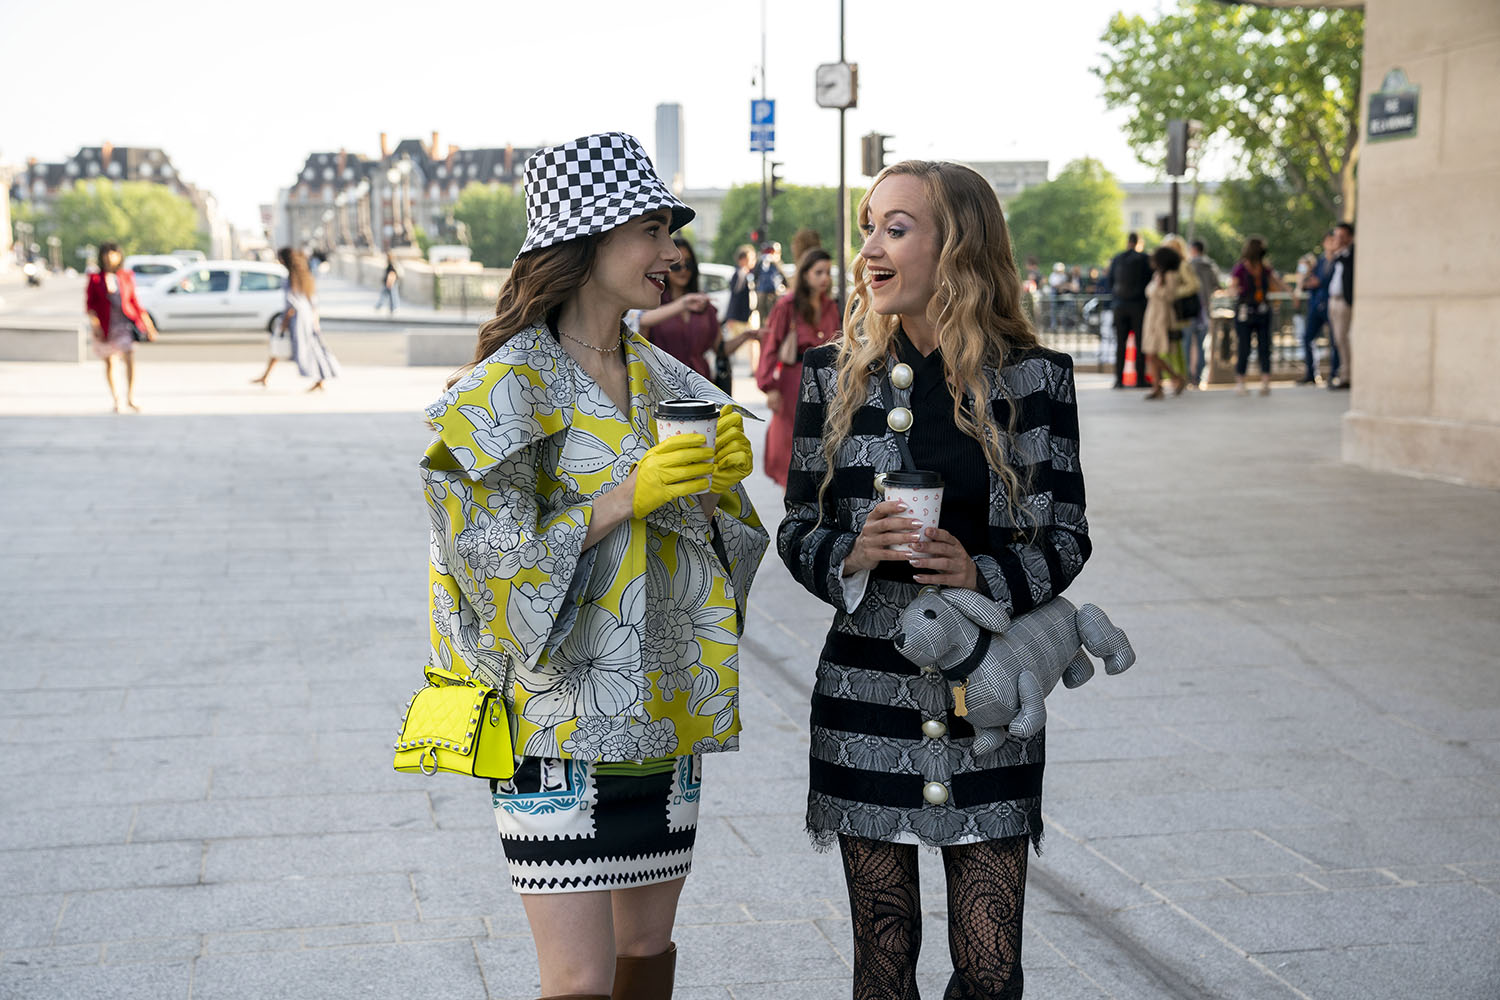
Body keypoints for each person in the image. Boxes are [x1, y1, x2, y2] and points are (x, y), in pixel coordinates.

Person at [418, 132, 767, 1000]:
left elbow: (715, 568)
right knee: (578, 980)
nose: (671, 252)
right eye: (650, 230)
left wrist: (718, 494)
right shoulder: (500, 390)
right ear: (585, 240)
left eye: (669, 231)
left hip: (663, 713)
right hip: (551, 726)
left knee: (647, 958)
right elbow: (483, 570)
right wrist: (622, 497)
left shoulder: (672, 382)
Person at [778, 160, 1091, 998]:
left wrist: (982, 574)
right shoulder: (828, 374)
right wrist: (851, 553)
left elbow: (1066, 537)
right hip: (864, 698)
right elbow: (797, 528)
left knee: (991, 971)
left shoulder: (1037, 379)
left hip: (988, 704)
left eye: (896, 228)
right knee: (882, 966)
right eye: (868, 228)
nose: (869, 250)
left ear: (958, 245)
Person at [755, 247, 840, 488]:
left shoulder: (830, 306)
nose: (825, 278)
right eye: (818, 272)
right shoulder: (787, 306)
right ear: (805, 274)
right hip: (793, 380)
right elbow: (770, 346)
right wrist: (770, 387)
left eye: (828, 272)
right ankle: (791, 497)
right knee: (789, 443)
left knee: (821, 441)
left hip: (825, 382)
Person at [251, 248, 340, 392]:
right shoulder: (305, 276)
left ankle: (320, 378)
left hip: (296, 319)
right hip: (307, 317)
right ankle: (266, 376)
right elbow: (312, 301)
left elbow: (291, 303)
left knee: (290, 345)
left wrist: (285, 322)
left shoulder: (291, 279)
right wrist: (315, 319)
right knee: (309, 346)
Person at [84, 242, 156, 413]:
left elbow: (134, 301)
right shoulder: (95, 279)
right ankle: (117, 398)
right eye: (107, 253)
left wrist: (148, 324)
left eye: (113, 253)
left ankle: (130, 397)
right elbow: (90, 305)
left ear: (119, 256)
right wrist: (95, 324)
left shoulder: (126, 276)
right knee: (110, 362)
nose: (110, 257)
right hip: (105, 325)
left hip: (124, 324)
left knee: (129, 357)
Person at [637, 237, 719, 379]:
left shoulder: (704, 305)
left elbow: (720, 348)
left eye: (688, 264)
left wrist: (746, 336)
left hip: (701, 382)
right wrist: (683, 304)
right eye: (676, 265)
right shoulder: (653, 302)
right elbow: (641, 320)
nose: (683, 269)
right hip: (665, 381)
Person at [1229, 236, 1287, 396]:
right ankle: (1241, 381)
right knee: (1244, 347)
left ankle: (1264, 381)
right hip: (1245, 311)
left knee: (1264, 346)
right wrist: (1235, 291)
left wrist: (1290, 293)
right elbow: (1232, 287)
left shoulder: (1264, 268)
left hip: (1262, 311)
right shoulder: (1241, 268)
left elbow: (1277, 281)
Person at [1141, 244, 1190, 399]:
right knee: (1150, 353)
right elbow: (1149, 291)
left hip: (1162, 319)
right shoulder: (1158, 275)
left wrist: (1157, 287)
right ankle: (1157, 387)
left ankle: (1175, 378)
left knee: (1152, 353)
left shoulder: (1170, 276)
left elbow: (1168, 295)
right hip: (1152, 317)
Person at [1107, 233, 1152, 388]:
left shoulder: (1117, 258)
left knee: (1121, 344)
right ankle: (1140, 379)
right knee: (1140, 343)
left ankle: (1119, 380)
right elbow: (1149, 281)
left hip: (1119, 306)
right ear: (1139, 243)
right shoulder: (1144, 259)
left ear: (1128, 242)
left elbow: (1110, 281)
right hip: (1138, 306)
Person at [1296, 231, 1340, 385]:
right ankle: (1311, 373)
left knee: (1335, 340)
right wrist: (1304, 280)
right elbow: (1307, 281)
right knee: (1308, 338)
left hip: (1331, 304)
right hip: (1316, 306)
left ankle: (1335, 373)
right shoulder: (1319, 262)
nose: (1331, 244)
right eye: (1329, 241)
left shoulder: (1339, 260)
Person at [1186, 240, 1221, 385]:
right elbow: (1217, 286)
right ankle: (1199, 377)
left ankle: (1188, 376)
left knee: (1187, 344)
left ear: (1194, 250)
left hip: (1189, 311)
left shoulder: (1188, 266)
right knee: (1201, 345)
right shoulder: (1211, 266)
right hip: (1205, 311)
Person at [1326, 221, 1355, 390]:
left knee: (1343, 339)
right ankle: (1343, 373)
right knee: (1337, 339)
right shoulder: (1335, 256)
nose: (1338, 240)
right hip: (1333, 300)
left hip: (1345, 301)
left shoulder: (1351, 254)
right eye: (1336, 236)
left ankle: (1347, 376)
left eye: (1342, 236)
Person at [754, 241, 785, 327]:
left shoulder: (761, 262)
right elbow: (784, 277)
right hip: (773, 294)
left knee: (763, 318)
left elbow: (755, 276)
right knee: (773, 317)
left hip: (763, 293)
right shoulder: (776, 263)